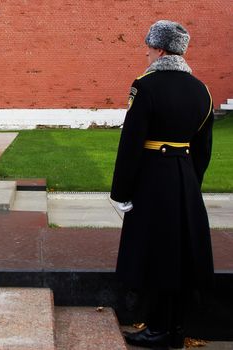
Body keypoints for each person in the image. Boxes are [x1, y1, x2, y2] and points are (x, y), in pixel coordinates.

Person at [110, 20, 214, 349]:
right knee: (182, 255)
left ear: (160, 49)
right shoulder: (202, 90)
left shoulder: (146, 85)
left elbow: (131, 143)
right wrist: (190, 185)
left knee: (154, 253)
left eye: (149, 46)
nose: (146, 51)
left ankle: (157, 329)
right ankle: (177, 328)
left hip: (153, 180)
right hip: (184, 179)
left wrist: (122, 192)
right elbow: (203, 148)